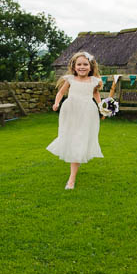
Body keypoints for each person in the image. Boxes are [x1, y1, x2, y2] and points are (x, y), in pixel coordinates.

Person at [47, 51, 103, 189]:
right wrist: (57, 103)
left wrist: (102, 107)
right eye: (79, 64)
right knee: (71, 138)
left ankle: (71, 179)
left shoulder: (94, 81)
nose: (82, 67)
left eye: (85, 64)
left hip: (87, 112)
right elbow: (61, 92)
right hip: (71, 111)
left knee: (80, 139)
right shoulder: (70, 79)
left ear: (90, 67)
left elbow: (96, 94)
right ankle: (73, 166)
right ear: (74, 66)